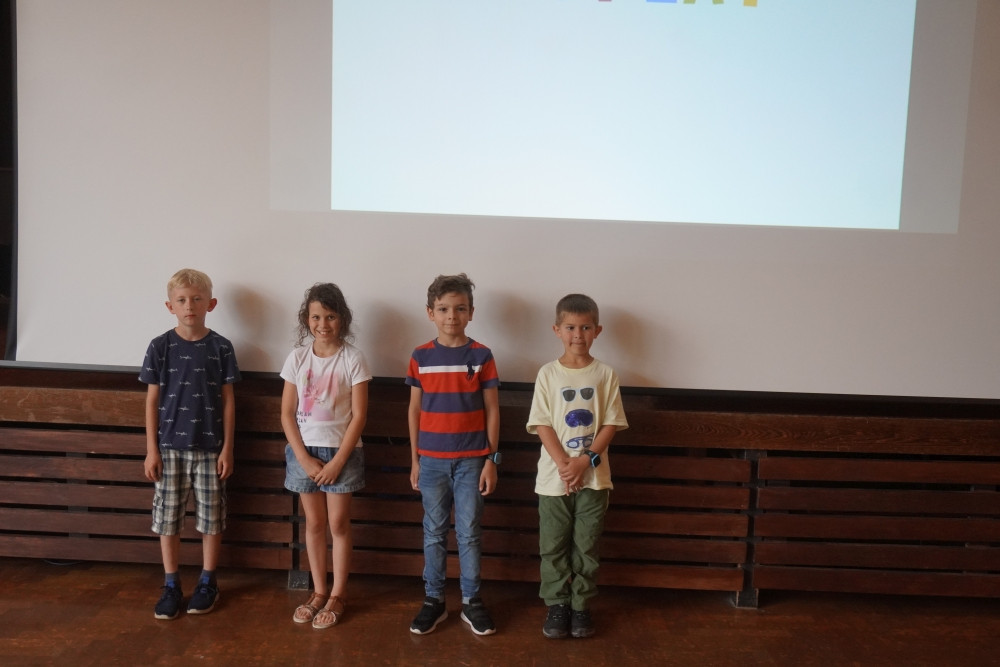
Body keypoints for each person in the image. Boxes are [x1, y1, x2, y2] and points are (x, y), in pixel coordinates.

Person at [526, 293, 628, 639]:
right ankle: (558, 604)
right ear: (557, 329)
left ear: (597, 330)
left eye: (585, 328)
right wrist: (564, 465)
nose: (578, 335)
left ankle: (581, 605)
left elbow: (611, 423)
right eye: (570, 327)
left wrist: (584, 462)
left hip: (594, 479)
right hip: (553, 479)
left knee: (586, 544)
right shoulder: (548, 374)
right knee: (553, 545)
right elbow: (542, 423)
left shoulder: (606, 374)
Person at [140, 268, 241, 620]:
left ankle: (208, 581)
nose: (189, 306)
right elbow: (152, 401)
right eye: (182, 300)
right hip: (169, 450)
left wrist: (227, 448)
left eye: (197, 299)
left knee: (211, 519)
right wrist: (152, 450)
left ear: (211, 304)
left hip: (211, 450)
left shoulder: (221, 347)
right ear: (170, 306)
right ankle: (171, 584)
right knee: (168, 519)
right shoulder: (160, 347)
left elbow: (228, 401)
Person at [406, 273, 501, 636]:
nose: (452, 316)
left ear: (471, 312)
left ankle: (472, 601)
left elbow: (493, 410)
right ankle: (434, 600)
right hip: (430, 462)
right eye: (443, 309)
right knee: (433, 533)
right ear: (430, 312)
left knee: (469, 533)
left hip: (472, 461)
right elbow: (414, 410)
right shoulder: (420, 356)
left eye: (460, 309)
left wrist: (491, 459)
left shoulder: (482, 355)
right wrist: (415, 460)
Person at [281, 283, 371, 629]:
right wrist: (303, 458)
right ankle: (318, 591)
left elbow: (359, 416)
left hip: (341, 454)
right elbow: (286, 414)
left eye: (330, 317)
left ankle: (338, 594)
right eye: (316, 317)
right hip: (304, 453)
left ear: (342, 319)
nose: (323, 324)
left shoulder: (353, 358)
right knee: (315, 524)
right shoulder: (297, 358)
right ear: (307, 319)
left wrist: (337, 462)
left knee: (338, 524)